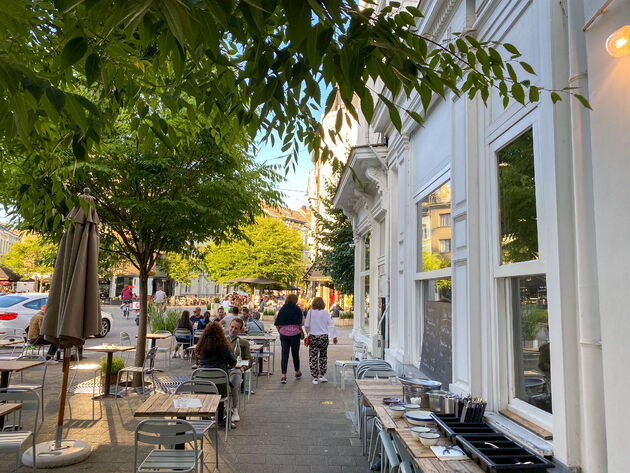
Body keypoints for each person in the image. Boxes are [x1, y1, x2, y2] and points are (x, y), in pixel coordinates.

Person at [196, 322, 237, 425]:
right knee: (222, 385)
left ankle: (205, 415)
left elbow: (197, 362)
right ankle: (220, 419)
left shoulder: (200, 347)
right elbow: (233, 362)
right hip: (220, 386)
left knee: (211, 384)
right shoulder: (224, 346)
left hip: (201, 385)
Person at [304, 296, 338, 384]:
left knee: (313, 356)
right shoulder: (325, 313)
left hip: (313, 336)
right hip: (323, 337)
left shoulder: (310, 312)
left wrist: (308, 332)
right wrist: (334, 336)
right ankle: (322, 375)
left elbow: (306, 325)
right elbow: (331, 325)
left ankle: (315, 376)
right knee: (323, 356)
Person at [274, 293, 304, 384]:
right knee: (295, 353)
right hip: (295, 334)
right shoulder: (297, 309)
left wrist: (281, 330)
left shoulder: (282, 309)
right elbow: (301, 323)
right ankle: (297, 371)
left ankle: (284, 375)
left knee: (284, 354)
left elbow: (277, 322)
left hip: (284, 334)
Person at [226, 318, 251, 422]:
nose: (233, 330)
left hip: (235, 370)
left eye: (236, 328)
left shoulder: (243, 343)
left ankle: (234, 409)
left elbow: (249, 360)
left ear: (240, 330)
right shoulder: (222, 340)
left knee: (233, 381)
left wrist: (243, 367)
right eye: (232, 327)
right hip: (223, 369)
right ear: (229, 326)